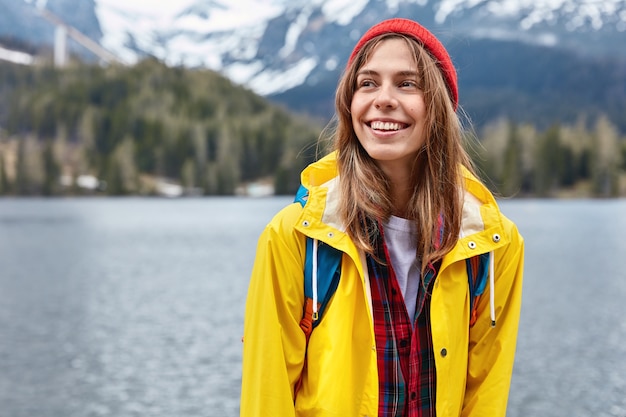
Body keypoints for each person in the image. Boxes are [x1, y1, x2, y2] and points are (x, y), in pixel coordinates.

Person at [240, 17, 524, 417]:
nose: (383, 99)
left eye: (407, 83)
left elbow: (485, 397)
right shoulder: (295, 237)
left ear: (439, 107)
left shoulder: (494, 245)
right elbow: (265, 399)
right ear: (349, 104)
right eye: (367, 83)